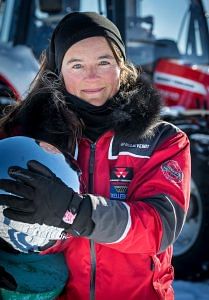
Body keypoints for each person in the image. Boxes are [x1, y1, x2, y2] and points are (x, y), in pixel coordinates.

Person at [0, 11, 191, 300]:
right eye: (76, 64)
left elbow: (159, 227)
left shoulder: (163, 141)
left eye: (103, 62)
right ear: (58, 72)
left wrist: (75, 210)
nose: (91, 76)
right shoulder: (25, 135)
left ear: (121, 66)